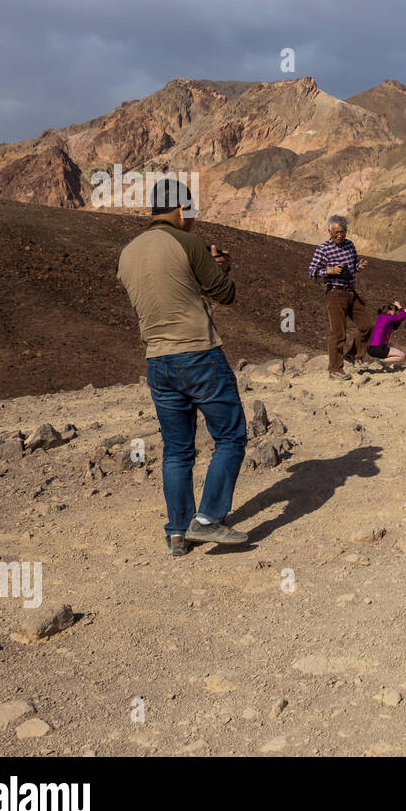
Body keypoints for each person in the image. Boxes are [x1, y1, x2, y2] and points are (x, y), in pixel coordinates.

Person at [117, 179, 249, 557]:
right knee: (230, 437)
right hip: (198, 354)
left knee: (177, 450)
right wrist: (221, 267)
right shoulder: (188, 242)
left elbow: (163, 292)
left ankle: (177, 532)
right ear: (179, 210)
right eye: (189, 212)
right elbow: (225, 294)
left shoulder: (127, 253)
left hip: (157, 360)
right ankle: (208, 520)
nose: (192, 219)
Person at [306, 214, 372, 380]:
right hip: (335, 293)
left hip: (351, 291)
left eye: (342, 232)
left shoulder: (350, 245)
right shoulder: (323, 249)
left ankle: (353, 355)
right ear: (329, 231)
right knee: (338, 333)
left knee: (367, 325)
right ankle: (335, 370)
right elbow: (311, 272)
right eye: (336, 232)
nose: (340, 235)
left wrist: (359, 267)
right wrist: (330, 271)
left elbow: (351, 268)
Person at [369, 301, 406, 367]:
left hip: (371, 349)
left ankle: (382, 361)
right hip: (379, 348)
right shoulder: (388, 318)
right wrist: (399, 307)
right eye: (394, 311)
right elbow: (404, 316)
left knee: (395, 351)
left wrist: (400, 316)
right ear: (389, 311)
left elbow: (395, 327)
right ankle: (381, 361)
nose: (395, 313)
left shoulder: (381, 318)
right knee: (402, 356)